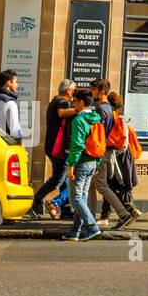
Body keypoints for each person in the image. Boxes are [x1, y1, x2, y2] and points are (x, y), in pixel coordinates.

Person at [26, 80, 76, 219]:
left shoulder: (54, 100)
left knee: (65, 179)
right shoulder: (62, 102)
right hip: (58, 148)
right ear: (68, 91)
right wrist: (80, 109)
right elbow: (61, 113)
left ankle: (66, 210)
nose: (74, 94)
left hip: (52, 146)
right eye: (74, 90)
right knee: (58, 180)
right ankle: (35, 202)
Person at [88, 80, 135, 229]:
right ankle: (89, 218)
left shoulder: (101, 110)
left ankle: (124, 214)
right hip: (105, 152)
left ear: (101, 91)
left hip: (101, 153)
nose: (92, 92)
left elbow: (98, 135)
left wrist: (95, 157)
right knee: (93, 185)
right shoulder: (108, 108)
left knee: (102, 186)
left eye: (94, 89)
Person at [62, 88, 103, 242]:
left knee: (74, 198)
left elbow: (77, 145)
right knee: (82, 197)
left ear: (80, 102)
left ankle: (92, 227)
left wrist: (71, 165)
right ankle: (75, 232)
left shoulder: (78, 120)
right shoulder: (96, 119)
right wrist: (97, 163)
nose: (73, 105)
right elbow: (100, 142)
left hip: (81, 163)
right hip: (93, 162)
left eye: (74, 102)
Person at [105, 91, 140, 220]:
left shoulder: (115, 119)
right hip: (122, 156)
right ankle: (106, 216)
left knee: (112, 185)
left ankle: (131, 210)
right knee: (111, 185)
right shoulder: (119, 118)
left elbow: (122, 144)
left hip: (119, 157)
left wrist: (113, 153)